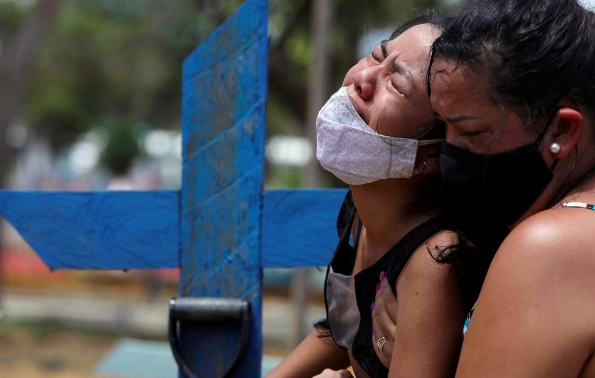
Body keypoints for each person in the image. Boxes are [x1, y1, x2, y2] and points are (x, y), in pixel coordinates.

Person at [374, 0, 595, 376]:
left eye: (472, 133)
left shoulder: (548, 246)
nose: (449, 155)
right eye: (443, 126)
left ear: (562, 130)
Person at [267, 13, 487, 378]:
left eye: (397, 84)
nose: (363, 78)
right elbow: (344, 329)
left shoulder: (435, 262)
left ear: (432, 154)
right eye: (375, 55)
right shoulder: (360, 206)